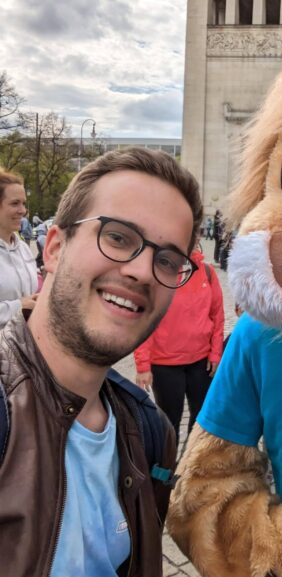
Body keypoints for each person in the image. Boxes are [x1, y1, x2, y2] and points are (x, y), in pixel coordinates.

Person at [0, 148, 203, 577]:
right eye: (118, 237)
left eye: (167, 260)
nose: (142, 272)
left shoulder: (150, 432)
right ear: (54, 248)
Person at [134, 246, 225, 441]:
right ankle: (166, 467)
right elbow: (144, 321)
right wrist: (143, 365)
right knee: (169, 423)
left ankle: (190, 463)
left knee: (202, 418)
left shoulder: (206, 272)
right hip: (165, 364)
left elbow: (217, 315)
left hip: (201, 361)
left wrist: (216, 353)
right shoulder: (157, 273)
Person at [0, 169, 38, 328]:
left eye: (23, 203)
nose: (23, 210)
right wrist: (18, 306)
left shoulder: (23, 247)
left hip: (24, 344)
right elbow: (22, 304)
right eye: (15, 203)